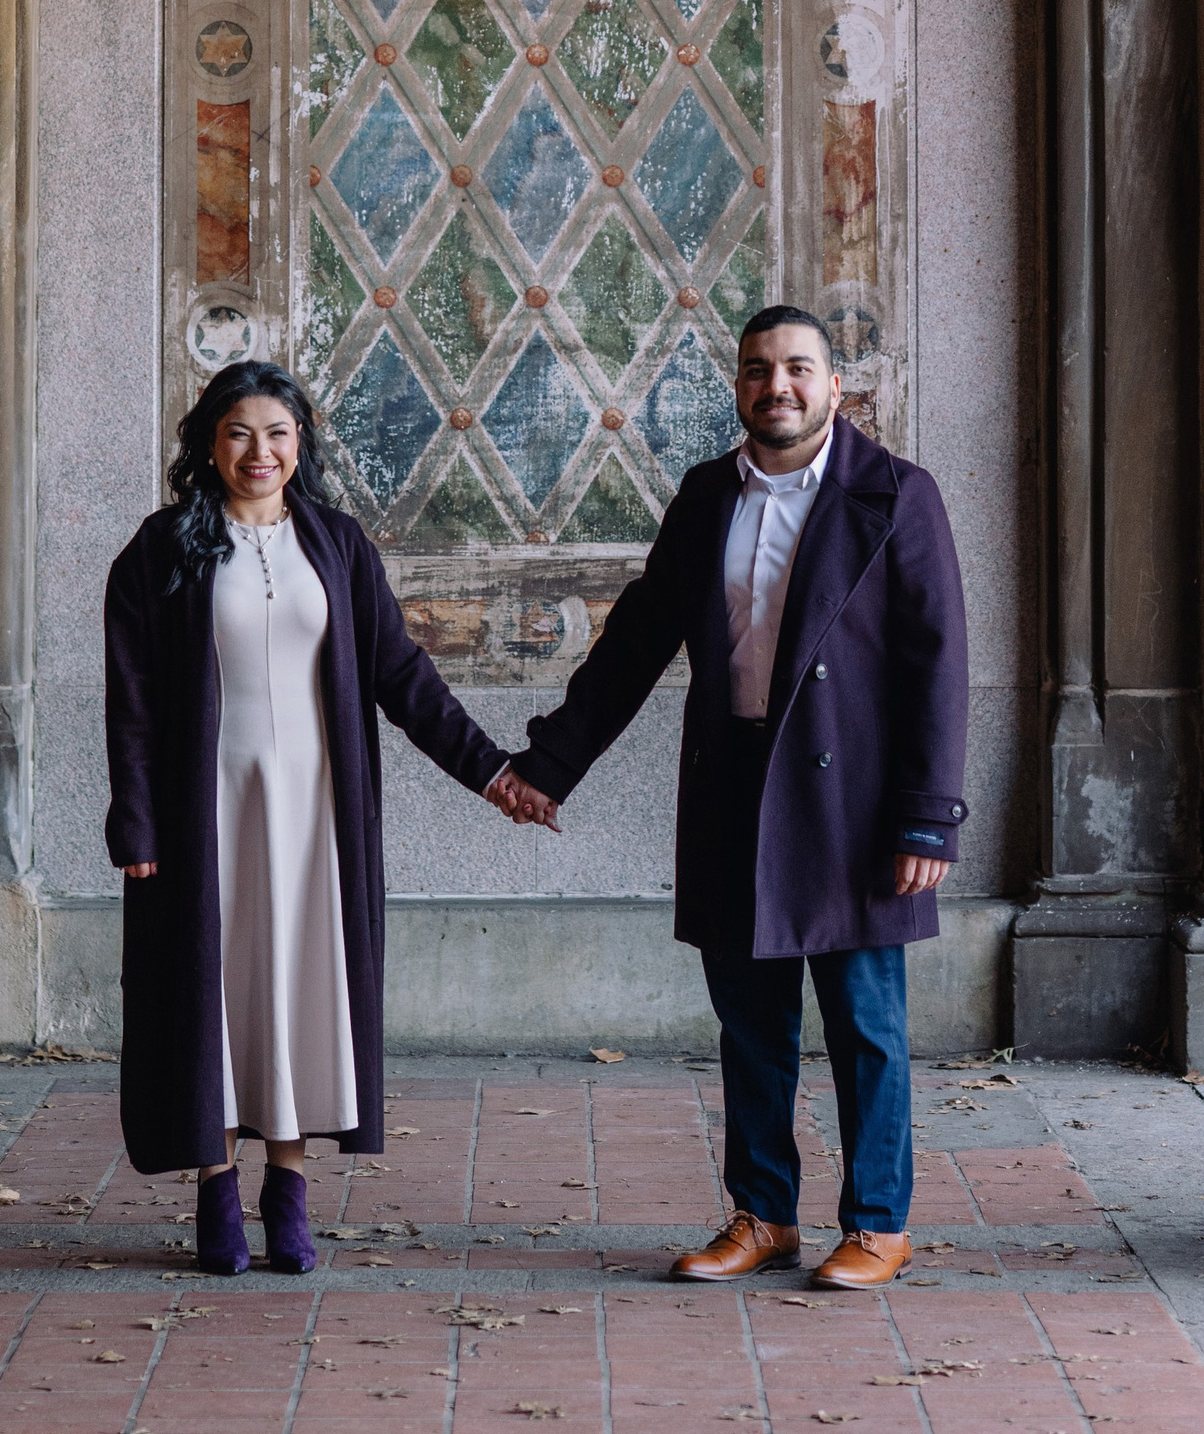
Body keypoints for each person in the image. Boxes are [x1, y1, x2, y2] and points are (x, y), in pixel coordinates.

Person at [508, 306, 968, 1290]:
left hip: (854, 800)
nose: (778, 386)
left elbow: (938, 662)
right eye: (757, 370)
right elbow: (637, 639)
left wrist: (930, 812)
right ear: (739, 388)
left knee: (865, 1026)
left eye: (798, 368)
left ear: (834, 386)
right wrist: (550, 762)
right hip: (734, 788)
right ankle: (763, 1213)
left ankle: (878, 1222)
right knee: (751, 1026)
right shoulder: (707, 496)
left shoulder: (895, 494)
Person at [104, 362, 555, 1274]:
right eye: (238, 432)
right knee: (215, 988)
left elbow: (403, 676)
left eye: (277, 433)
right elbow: (134, 701)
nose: (258, 451)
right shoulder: (161, 549)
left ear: (300, 443)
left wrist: (494, 773)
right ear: (209, 442)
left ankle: (290, 1184)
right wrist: (138, 821)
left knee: (305, 984)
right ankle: (214, 1185)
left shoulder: (338, 545)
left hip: (316, 813)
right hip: (209, 812)